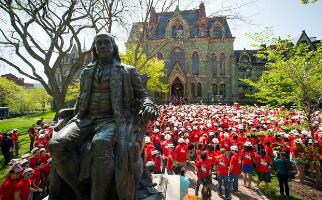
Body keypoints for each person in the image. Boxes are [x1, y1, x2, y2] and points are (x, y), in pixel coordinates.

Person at [48, 33, 157, 200]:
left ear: (113, 47)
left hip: (113, 120)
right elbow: (82, 98)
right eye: (98, 43)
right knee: (56, 144)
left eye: (106, 42)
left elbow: (144, 96)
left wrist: (148, 105)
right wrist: (69, 115)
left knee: (101, 143)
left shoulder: (127, 71)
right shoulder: (86, 72)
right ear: (94, 48)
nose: (102, 45)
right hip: (85, 119)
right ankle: (80, 191)